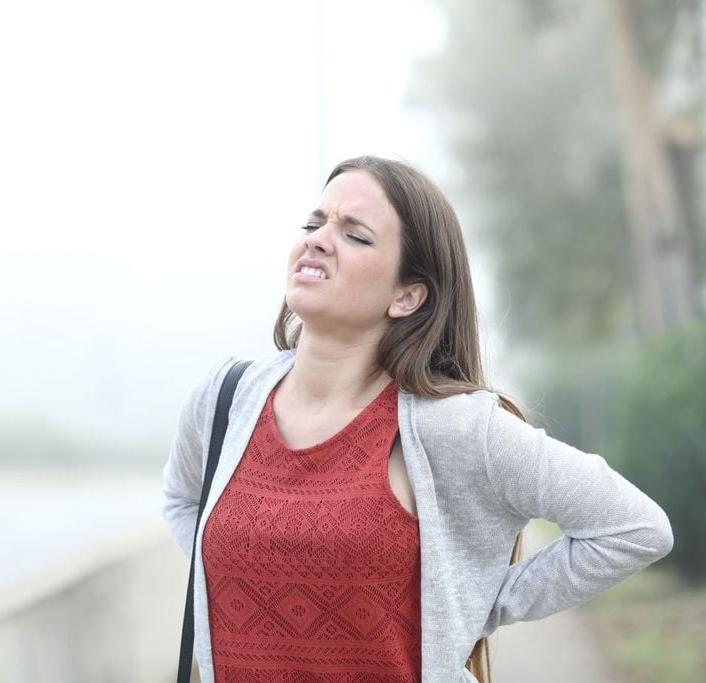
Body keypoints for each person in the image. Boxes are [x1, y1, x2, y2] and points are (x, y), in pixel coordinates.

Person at [160, 155, 674, 683]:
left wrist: (473, 601)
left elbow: (634, 528)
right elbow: (181, 500)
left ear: (407, 296)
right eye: (315, 224)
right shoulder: (224, 399)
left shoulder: (455, 429)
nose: (317, 239)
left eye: (355, 235)